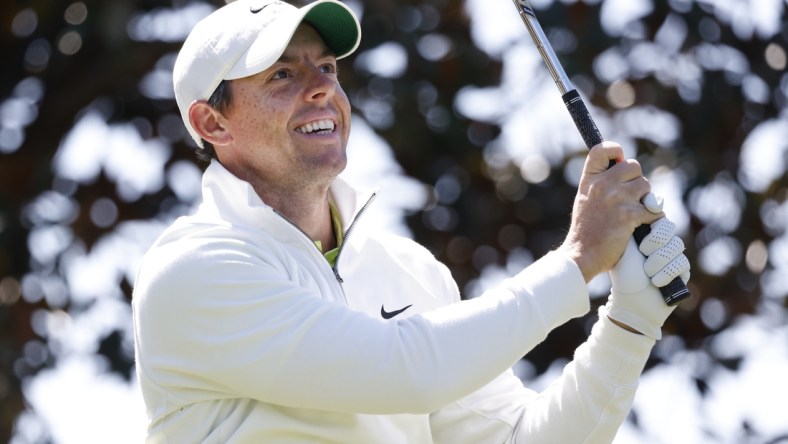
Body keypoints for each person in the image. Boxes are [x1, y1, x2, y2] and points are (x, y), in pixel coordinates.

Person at [132, 0, 691, 442]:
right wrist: (577, 260)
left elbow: (521, 440)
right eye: (281, 74)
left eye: (325, 67)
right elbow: (406, 369)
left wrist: (631, 323)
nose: (323, 86)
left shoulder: (407, 270)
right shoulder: (192, 271)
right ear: (212, 122)